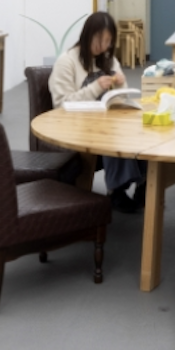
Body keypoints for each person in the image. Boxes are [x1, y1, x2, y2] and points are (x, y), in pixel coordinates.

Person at [49, 12, 144, 213]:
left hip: (102, 121)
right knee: (110, 135)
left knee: (139, 130)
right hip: (75, 126)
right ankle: (117, 191)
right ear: (87, 35)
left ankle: (145, 185)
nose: (104, 47)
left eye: (109, 42)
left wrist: (121, 84)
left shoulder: (108, 59)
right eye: (100, 40)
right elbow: (61, 104)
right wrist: (95, 88)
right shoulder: (67, 61)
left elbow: (119, 100)